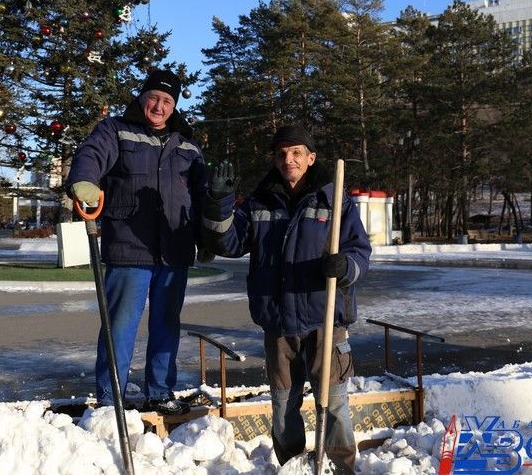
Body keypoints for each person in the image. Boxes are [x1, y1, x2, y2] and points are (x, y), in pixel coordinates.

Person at [201, 125, 371, 468]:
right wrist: (219, 205)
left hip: (325, 317)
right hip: (278, 320)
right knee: (282, 402)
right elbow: (230, 243)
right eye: (281, 153)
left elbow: (360, 252)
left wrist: (345, 266)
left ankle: (342, 465)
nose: (288, 159)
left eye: (296, 153)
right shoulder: (260, 200)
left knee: (334, 400)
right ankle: (292, 463)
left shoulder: (334, 199)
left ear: (311, 158)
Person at [66, 69, 209, 416]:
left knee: (166, 324)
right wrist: (84, 181)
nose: (159, 106)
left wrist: (208, 236)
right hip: (130, 244)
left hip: (174, 249)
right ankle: (109, 395)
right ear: (142, 98)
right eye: (154, 98)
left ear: (174, 106)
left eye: (167, 101)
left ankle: (160, 391)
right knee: (120, 325)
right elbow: (90, 156)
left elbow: (202, 196)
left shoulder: (188, 145)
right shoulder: (116, 130)